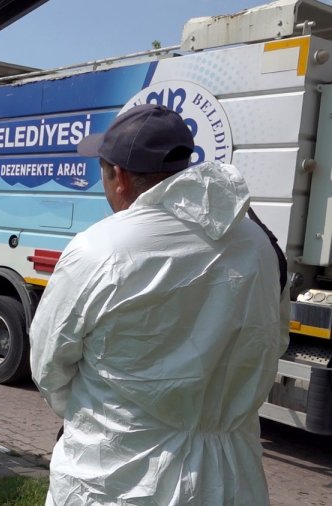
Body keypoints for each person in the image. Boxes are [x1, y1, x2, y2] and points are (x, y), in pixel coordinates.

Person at [29, 104, 290, 505]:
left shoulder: (99, 249)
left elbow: (49, 366)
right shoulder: (259, 246)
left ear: (118, 177)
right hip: (230, 479)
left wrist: (92, 413)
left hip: (116, 477)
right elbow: (274, 342)